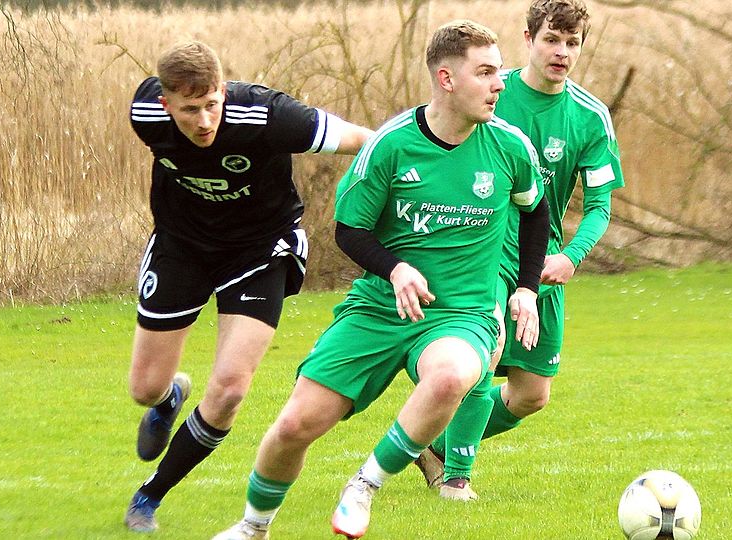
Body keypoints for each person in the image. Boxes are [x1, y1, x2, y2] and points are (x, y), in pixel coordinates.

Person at [212, 19, 549, 540]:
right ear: (446, 79)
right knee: (295, 426)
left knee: (452, 375)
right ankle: (253, 527)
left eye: (498, 71)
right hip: (378, 309)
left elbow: (535, 211)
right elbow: (350, 228)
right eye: (485, 72)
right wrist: (395, 268)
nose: (499, 84)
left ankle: (364, 485)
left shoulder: (510, 146)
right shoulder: (391, 144)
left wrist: (525, 287)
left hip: (463, 312)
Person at [122, 40, 373, 533]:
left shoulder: (269, 116)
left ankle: (149, 496)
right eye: (189, 110)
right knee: (144, 389)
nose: (204, 121)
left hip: (260, 252)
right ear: (165, 103)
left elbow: (366, 140)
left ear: (223, 89)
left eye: (212, 104)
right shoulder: (144, 113)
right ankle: (168, 398)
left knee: (229, 390)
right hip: (182, 248)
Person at [414, 0, 626, 500]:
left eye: (572, 43)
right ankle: (457, 478)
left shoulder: (590, 117)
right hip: (483, 253)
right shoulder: (491, 94)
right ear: (528, 39)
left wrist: (571, 256)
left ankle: (432, 445)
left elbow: (599, 205)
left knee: (532, 394)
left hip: (543, 260)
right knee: (483, 356)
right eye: (551, 39)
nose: (561, 52)